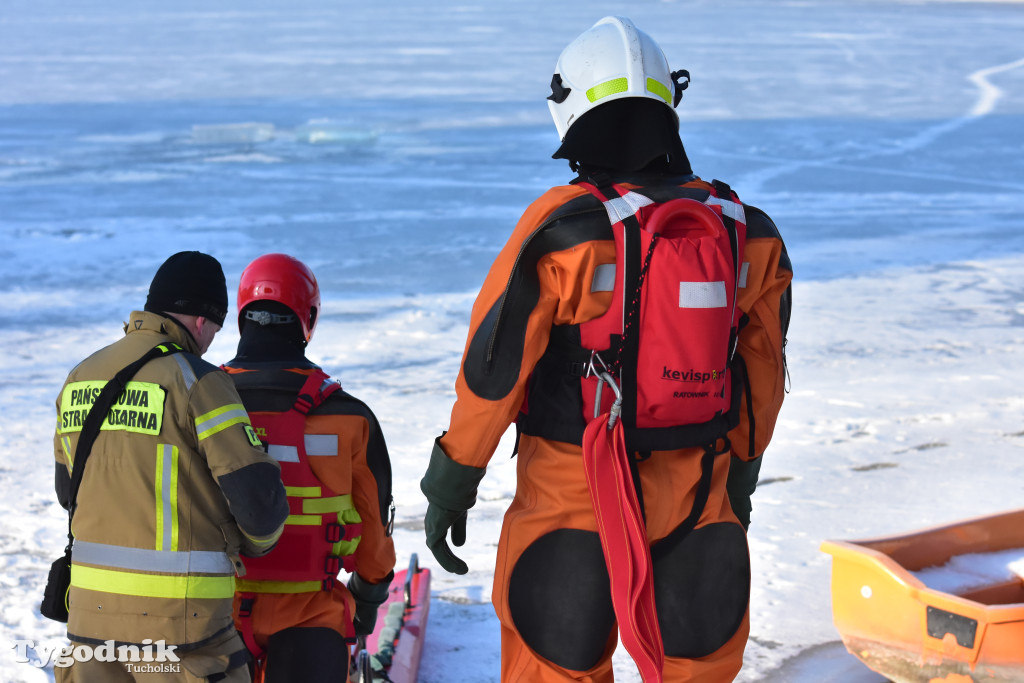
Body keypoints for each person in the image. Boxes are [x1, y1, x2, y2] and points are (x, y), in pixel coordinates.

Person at [420, 16, 792, 683]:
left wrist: (455, 477)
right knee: (698, 667)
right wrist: (742, 470)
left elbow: (495, 369)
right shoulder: (747, 235)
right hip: (699, 490)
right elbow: (763, 370)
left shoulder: (563, 229)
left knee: (554, 666)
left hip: (573, 492)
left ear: (570, 110)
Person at [52, 250, 289, 682]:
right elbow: (257, 502)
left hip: (89, 623)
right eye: (216, 328)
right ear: (202, 320)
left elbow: (68, 492)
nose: (212, 339)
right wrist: (254, 545)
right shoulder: (200, 381)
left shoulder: (80, 377)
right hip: (183, 632)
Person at [221, 253, 396, 682]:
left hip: (212, 619)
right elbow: (373, 529)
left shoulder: (202, 403)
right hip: (313, 619)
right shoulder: (351, 417)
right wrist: (369, 601)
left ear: (242, 316)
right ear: (309, 317)